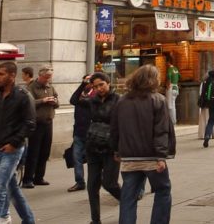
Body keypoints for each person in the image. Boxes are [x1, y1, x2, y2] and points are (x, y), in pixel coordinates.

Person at [110, 65, 175, 224]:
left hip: (129, 157)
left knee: (128, 196)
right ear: (153, 80)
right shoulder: (158, 99)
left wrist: (117, 151)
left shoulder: (122, 100)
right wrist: (161, 156)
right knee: (163, 190)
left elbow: (115, 129)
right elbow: (161, 130)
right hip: (151, 157)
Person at [0, 61, 36, 224]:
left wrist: (14, 143)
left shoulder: (23, 95)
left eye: (1, 74)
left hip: (12, 150)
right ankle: (29, 220)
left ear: (12, 76)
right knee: (12, 189)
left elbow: (30, 124)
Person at [86, 72, 121, 224]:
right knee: (92, 185)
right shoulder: (92, 101)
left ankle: (127, 199)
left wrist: (119, 149)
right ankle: (95, 220)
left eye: (101, 84)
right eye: (95, 86)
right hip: (93, 146)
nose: (99, 88)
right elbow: (74, 101)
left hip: (111, 147)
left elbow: (122, 125)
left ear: (108, 83)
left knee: (109, 183)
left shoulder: (119, 100)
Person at [23, 66, 59, 188]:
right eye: (46, 77)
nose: (48, 79)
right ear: (40, 75)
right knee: (34, 152)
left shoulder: (50, 87)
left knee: (45, 152)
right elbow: (28, 103)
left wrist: (54, 101)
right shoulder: (32, 87)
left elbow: (57, 103)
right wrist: (43, 101)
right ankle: (28, 178)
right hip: (36, 124)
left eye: (50, 77)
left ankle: (39, 177)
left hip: (48, 123)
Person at [68, 74, 94, 192]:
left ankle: (93, 182)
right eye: (86, 82)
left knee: (91, 159)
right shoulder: (80, 93)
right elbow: (73, 100)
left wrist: (82, 99)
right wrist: (82, 84)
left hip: (91, 133)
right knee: (76, 157)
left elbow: (89, 103)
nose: (88, 84)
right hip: (78, 131)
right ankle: (79, 182)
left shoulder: (95, 94)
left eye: (90, 82)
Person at [166, 55, 180, 125]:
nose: (166, 64)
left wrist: (167, 86)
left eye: (166, 62)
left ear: (168, 62)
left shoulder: (169, 69)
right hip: (176, 88)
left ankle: (172, 121)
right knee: (173, 105)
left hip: (171, 88)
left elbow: (169, 78)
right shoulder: (176, 69)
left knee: (170, 106)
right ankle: (174, 120)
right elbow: (179, 77)